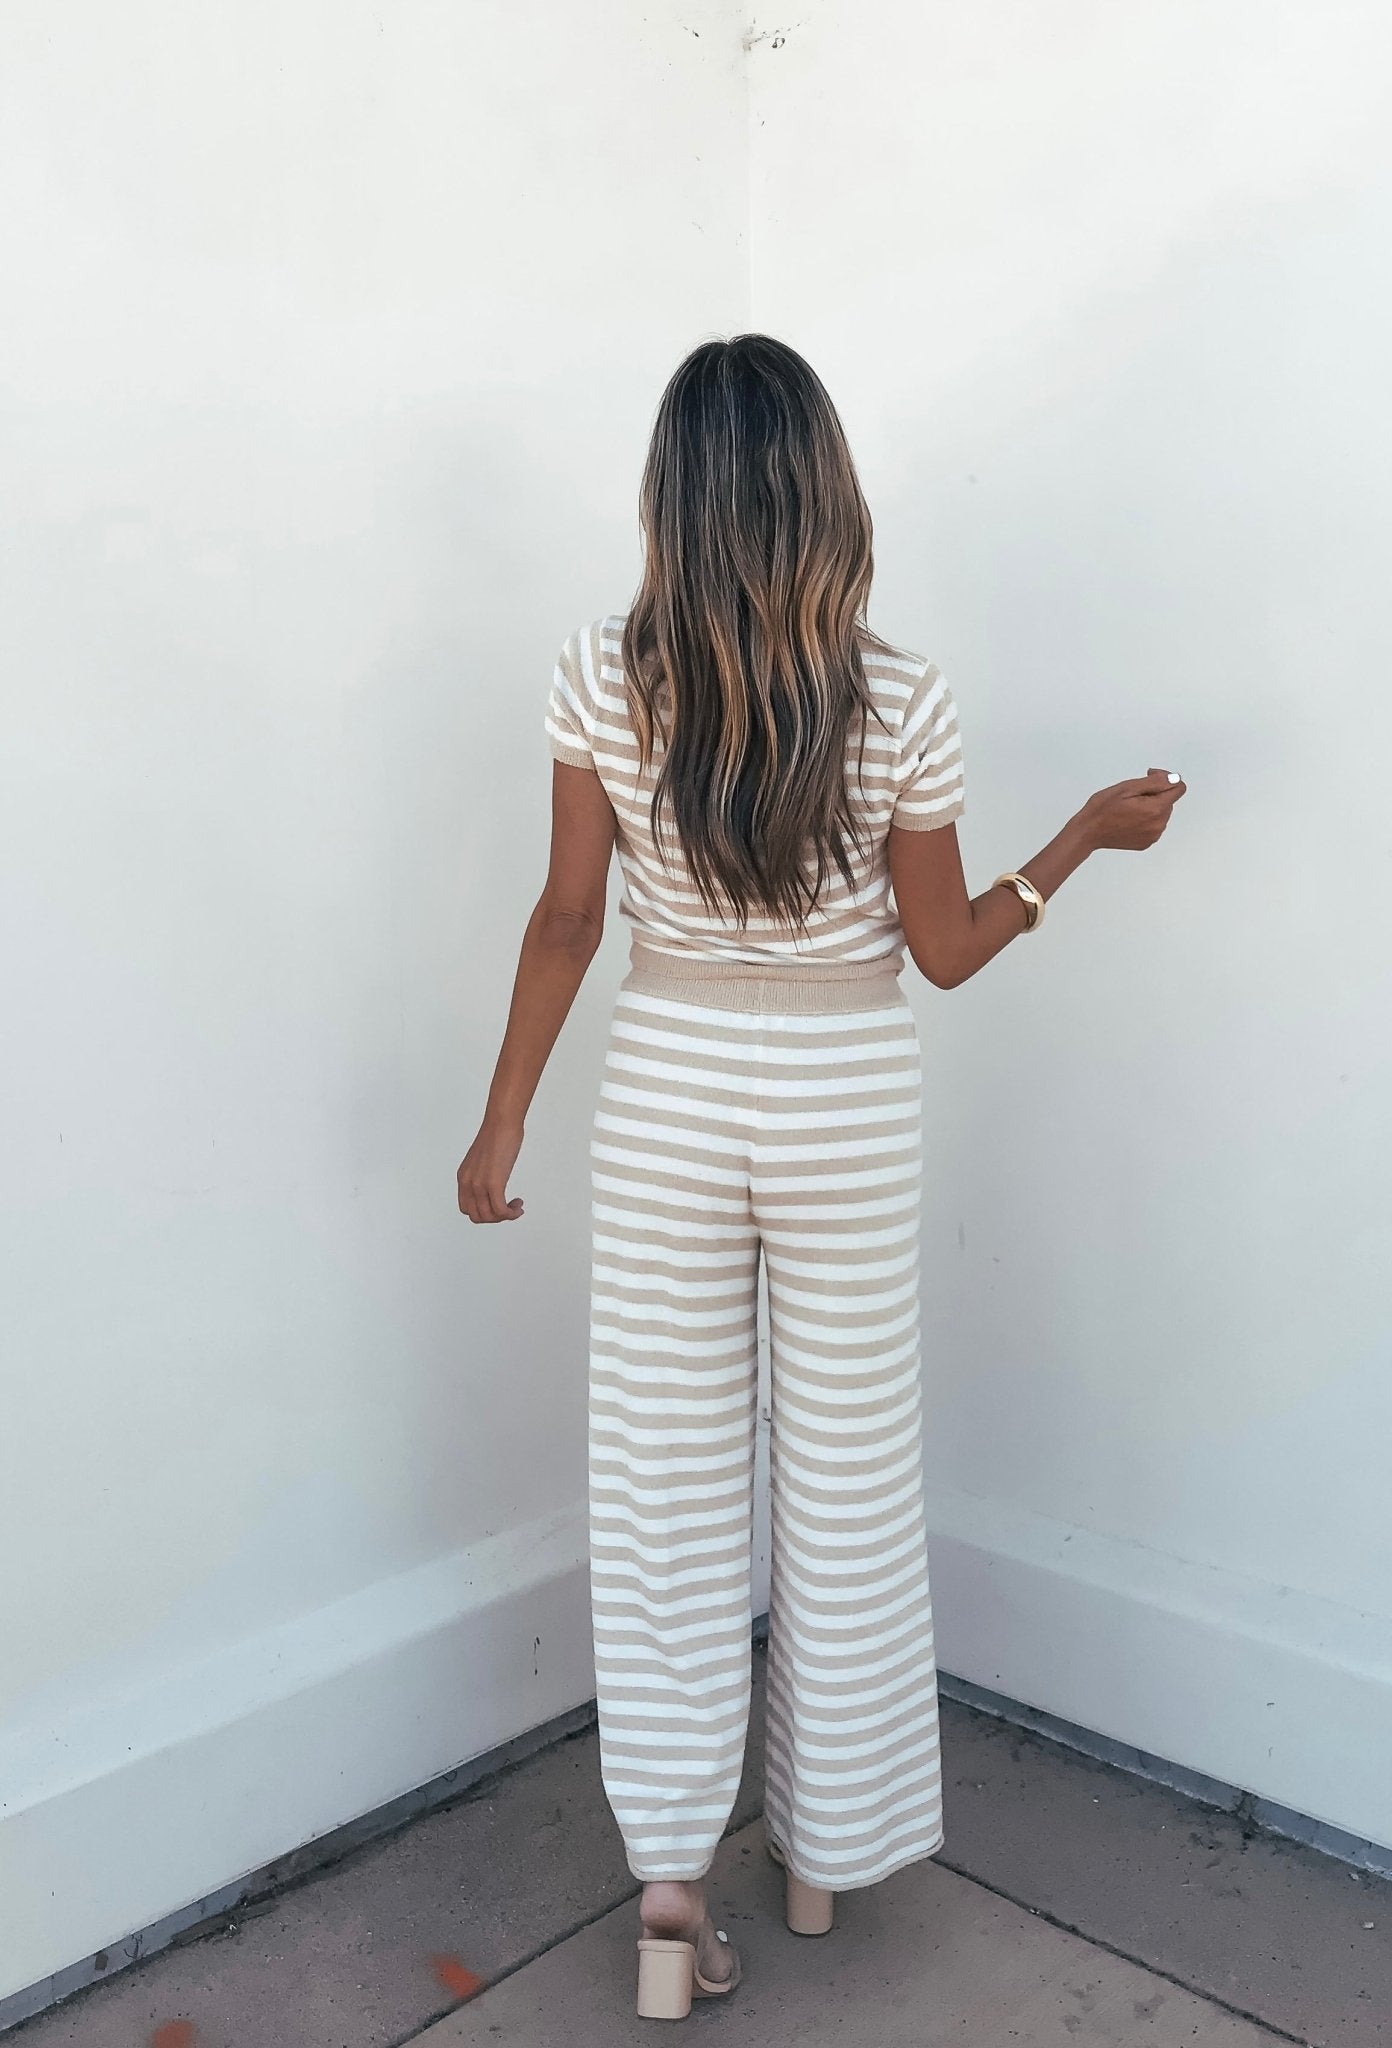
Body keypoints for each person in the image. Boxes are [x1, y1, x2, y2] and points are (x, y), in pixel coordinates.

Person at [456, 333, 1186, 2020]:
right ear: (823, 492)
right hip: (847, 1098)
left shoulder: (596, 670)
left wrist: (501, 1118)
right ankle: (818, 1857)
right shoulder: (900, 691)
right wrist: (1075, 840)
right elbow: (938, 953)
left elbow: (569, 917)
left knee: (662, 1485)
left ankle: (664, 1892)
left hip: (663, 1093)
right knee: (846, 1480)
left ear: (671, 495)